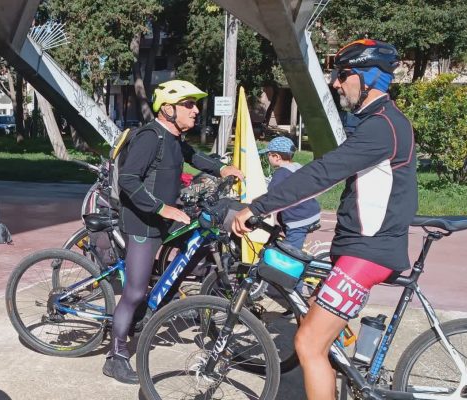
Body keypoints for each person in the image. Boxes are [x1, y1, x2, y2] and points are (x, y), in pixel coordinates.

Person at [232, 39, 416, 399]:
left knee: (308, 344)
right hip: (363, 247)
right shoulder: (380, 123)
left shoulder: (382, 128)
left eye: (342, 75)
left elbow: (322, 173)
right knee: (316, 323)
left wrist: (258, 207)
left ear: (368, 78)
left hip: (368, 252)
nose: (335, 83)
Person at [103, 79, 244, 384]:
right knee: (135, 291)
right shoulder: (150, 137)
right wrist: (161, 209)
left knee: (194, 245)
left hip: (160, 219)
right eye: (188, 104)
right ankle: (116, 356)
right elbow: (129, 179)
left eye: (195, 104)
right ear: (168, 109)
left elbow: (193, 157)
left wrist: (222, 169)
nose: (195, 110)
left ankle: (149, 310)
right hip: (143, 221)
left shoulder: (174, 138)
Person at [259, 136, 321, 250]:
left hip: (299, 220)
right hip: (310, 211)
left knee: (289, 254)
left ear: (276, 157)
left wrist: (260, 210)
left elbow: (272, 196)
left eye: (269, 155)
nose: (268, 157)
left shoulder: (281, 174)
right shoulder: (297, 167)